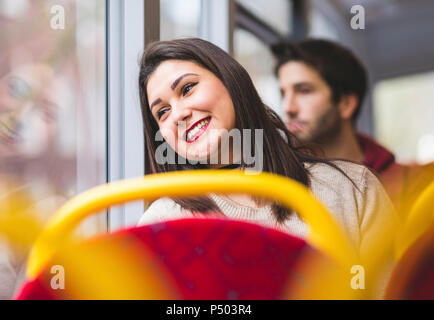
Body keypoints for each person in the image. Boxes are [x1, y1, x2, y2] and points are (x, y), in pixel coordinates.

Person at [136, 38, 396, 259]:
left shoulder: (352, 189)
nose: (179, 114)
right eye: (163, 112)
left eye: (188, 88)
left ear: (231, 81)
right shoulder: (160, 222)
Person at [272, 39, 434, 218]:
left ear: (346, 104)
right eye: (283, 93)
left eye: (304, 91)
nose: (288, 107)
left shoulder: (411, 187)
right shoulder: (278, 183)